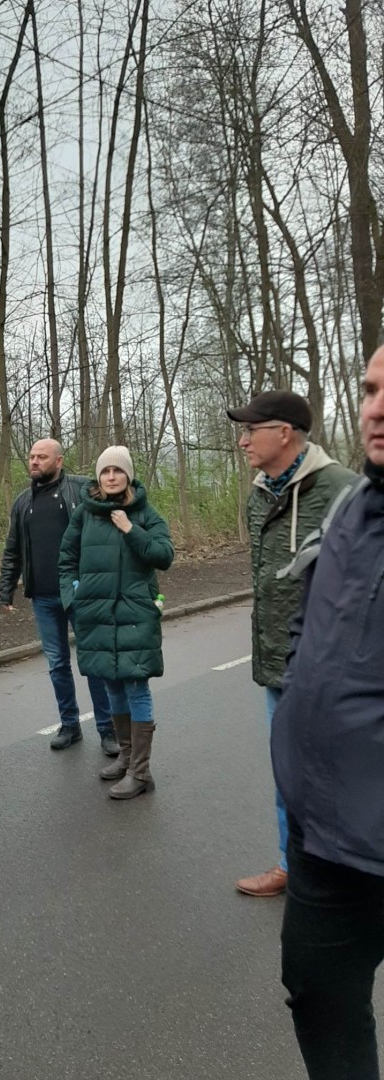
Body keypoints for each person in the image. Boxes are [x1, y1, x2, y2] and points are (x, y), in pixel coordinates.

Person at [269, 345, 384, 1080]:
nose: (377, 408)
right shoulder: (353, 504)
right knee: (316, 991)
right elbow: (310, 618)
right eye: (370, 390)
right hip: (323, 830)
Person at [226, 390, 355, 898]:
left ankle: (349, 878)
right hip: (278, 664)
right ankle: (291, 867)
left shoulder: (344, 491)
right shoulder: (259, 495)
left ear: (284, 433)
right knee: (289, 775)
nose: (242, 441)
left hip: (333, 671)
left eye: (250, 431)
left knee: (341, 776)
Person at [58, 446, 174, 799]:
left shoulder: (145, 513)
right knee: (110, 684)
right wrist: (73, 598)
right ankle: (126, 757)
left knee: (136, 686)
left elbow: (164, 556)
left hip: (135, 614)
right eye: (105, 471)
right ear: (98, 477)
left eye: (117, 471)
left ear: (128, 475)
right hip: (95, 614)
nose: (111, 477)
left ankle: (141, 772)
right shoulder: (84, 514)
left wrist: (130, 529)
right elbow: (66, 559)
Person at [0, 439, 118, 755]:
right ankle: (69, 725)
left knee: (93, 662)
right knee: (57, 665)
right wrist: (6, 588)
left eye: (42, 457)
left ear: (59, 461)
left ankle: (108, 728)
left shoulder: (81, 489)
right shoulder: (23, 502)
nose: (34, 461)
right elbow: (13, 549)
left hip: (81, 593)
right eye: (31, 457)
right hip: (43, 597)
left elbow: (112, 516)